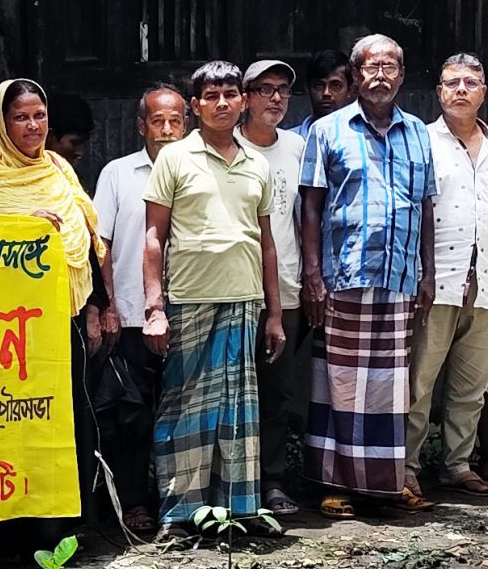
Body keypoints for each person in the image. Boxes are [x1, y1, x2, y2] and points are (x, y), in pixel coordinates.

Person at [140, 60, 284, 537]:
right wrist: (155, 309)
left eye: (230, 94)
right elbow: (153, 238)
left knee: (238, 410)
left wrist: (274, 314)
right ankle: (179, 515)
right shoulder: (174, 158)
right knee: (185, 409)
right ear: (196, 105)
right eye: (211, 96)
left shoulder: (257, 163)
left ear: (243, 101)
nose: (222, 103)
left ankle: (237, 511)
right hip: (189, 300)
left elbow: (266, 243)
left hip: (243, 300)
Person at [299, 35, 436, 517]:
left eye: (390, 67)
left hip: (399, 276)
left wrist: (427, 273)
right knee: (338, 382)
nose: (380, 76)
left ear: (402, 75)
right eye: (371, 67)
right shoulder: (328, 130)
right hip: (343, 274)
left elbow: (425, 207)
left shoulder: (418, 132)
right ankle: (334, 484)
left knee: (389, 387)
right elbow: (310, 208)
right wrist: (313, 275)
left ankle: (384, 483)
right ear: (356, 76)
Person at [0, 78, 107, 540]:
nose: (32, 126)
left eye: (39, 116)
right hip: (12, 324)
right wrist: (23, 226)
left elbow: (84, 237)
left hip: (65, 313)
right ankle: (14, 530)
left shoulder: (58, 167)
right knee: (17, 419)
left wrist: (96, 306)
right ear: (2, 122)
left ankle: (67, 525)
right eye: (20, 117)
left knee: (67, 415)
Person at [405, 56, 488, 499]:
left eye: (470, 83)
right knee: (419, 382)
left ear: (484, 92)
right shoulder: (421, 142)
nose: (461, 89)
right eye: (452, 83)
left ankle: (457, 465)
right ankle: (406, 467)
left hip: (485, 282)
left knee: (471, 385)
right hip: (435, 281)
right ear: (439, 92)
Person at [92, 84, 189, 533]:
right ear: (141, 126)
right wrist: (108, 304)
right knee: (132, 414)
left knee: (183, 410)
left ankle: (179, 499)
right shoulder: (118, 173)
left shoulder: (198, 169)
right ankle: (134, 500)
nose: (166, 130)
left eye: (175, 121)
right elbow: (102, 244)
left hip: (186, 310)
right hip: (132, 314)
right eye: (157, 121)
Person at [240, 59, 310, 513]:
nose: (276, 98)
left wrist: (310, 281)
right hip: (233, 290)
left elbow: (308, 217)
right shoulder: (227, 146)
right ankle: (232, 485)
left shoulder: (297, 147)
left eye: (283, 89)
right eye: (265, 89)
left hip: (285, 290)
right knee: (230, 391)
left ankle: (272, 481)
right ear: (246, 97)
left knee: (277, 392)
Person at [300, 49, 352, 129]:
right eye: (318, 85)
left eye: (336, 85)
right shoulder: (290, 136)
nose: (326, 93)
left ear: (350, 90)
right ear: (307, 88)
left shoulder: (363, 136)